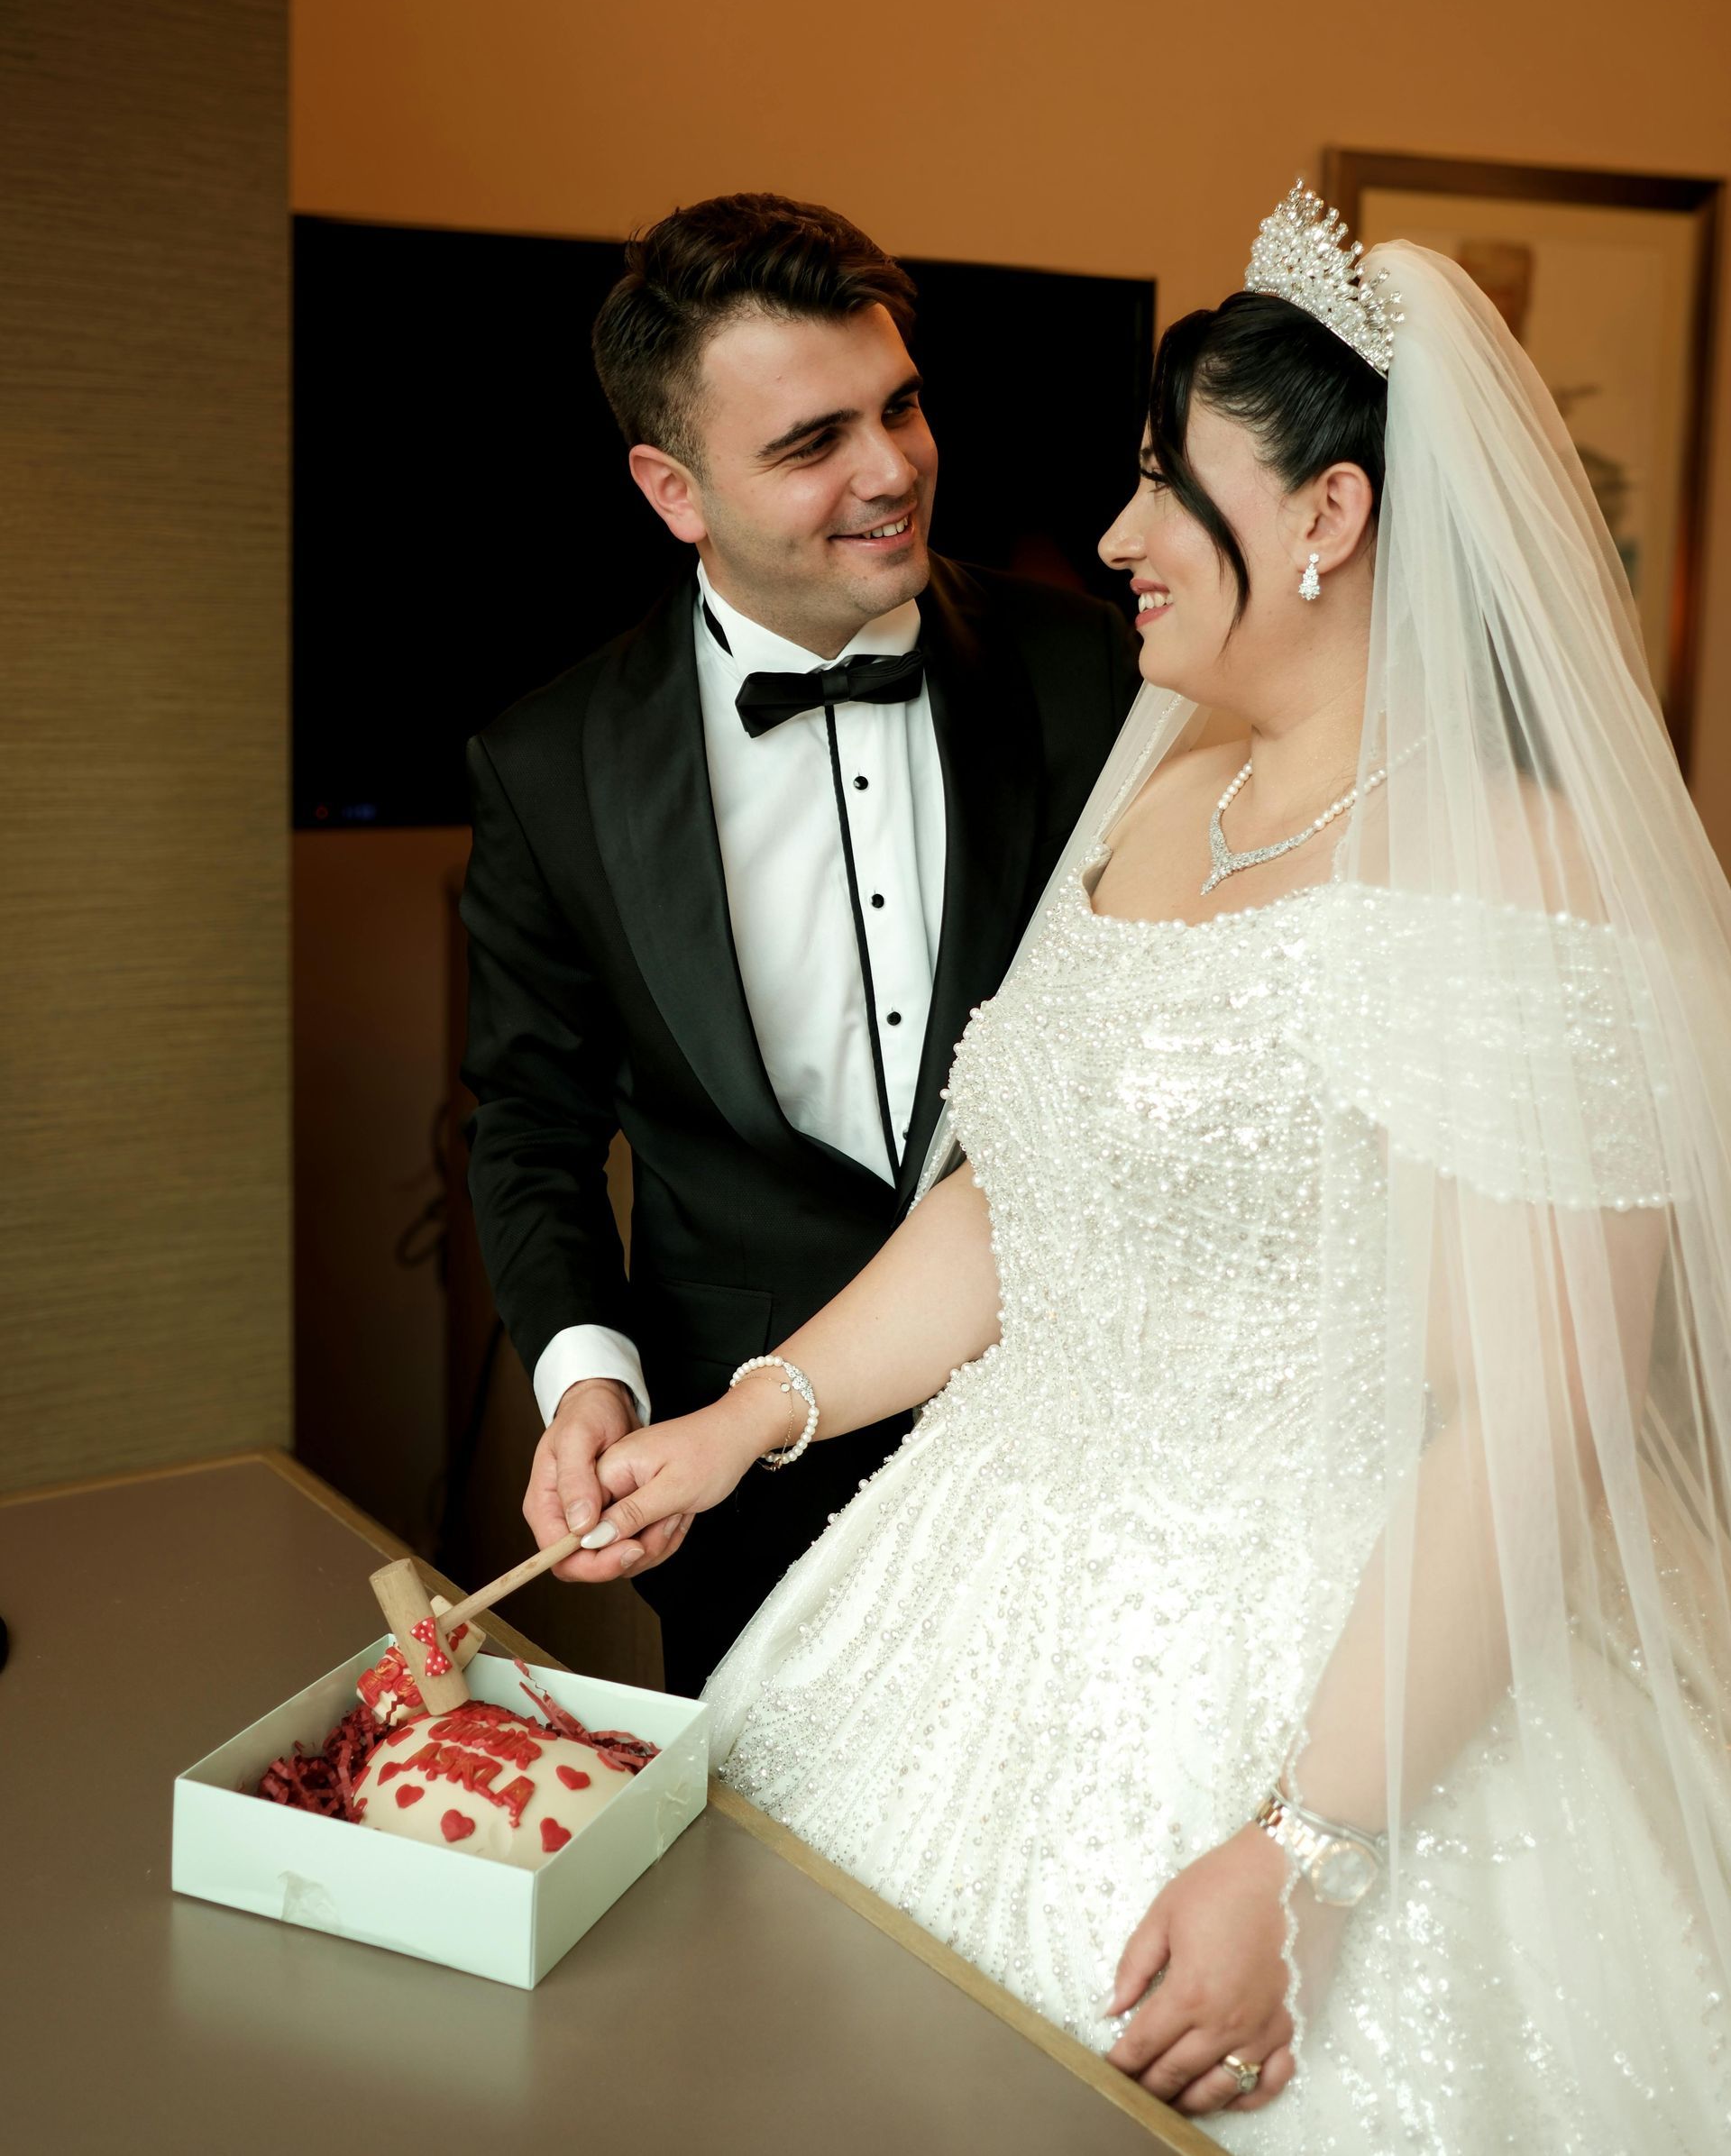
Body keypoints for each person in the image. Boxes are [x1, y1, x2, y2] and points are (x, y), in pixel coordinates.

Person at [572, 184, 1731, 2148]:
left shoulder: (1522, 878)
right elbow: (1023, 1201)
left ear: (1326, 518)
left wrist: (1310, 1845)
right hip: (976, 1593)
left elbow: (1531, 1425)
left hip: (1339, 1657)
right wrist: (745, 1415)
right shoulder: (1172, 796)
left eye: (1159, 486)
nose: (1108, 538)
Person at [459, 192, 1139, 1696]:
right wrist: (589, 1377)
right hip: (739, 1483)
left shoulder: (1092, 667)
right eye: (810, 441)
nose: (891, 468)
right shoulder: (548, 763)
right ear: (672, 486)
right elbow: (534, 1122)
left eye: (898, 405)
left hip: (1079, 1428)